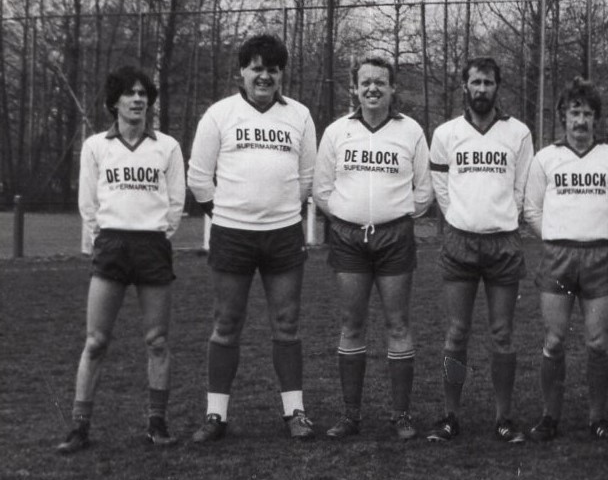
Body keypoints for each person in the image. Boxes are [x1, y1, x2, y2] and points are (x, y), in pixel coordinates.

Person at [187, 34, 318, 443]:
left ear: (281, 74)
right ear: (242, 72)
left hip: (283, 235)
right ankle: (216, 415)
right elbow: (198, 178)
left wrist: (279, 211)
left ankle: (294, 411)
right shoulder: (219, 115)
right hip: (232, 235)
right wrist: (229, 214)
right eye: (256, 68)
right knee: (226, 323)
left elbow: (307, 178)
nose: (264, 76)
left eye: (272, 69)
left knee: (287, 323)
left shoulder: (299, 116)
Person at [57, 67, 186, 454]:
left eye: (143, 93)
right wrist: (105, 236)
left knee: (157, 341)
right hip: (111, 246)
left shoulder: (167, 147)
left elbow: (175, 204)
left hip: (152, 248)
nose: (138, 99)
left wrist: (155, 234)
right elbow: (88, 204)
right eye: (130, 93)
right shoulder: (96, 146)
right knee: (95, 341)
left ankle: (157, 424)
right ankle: (79, 427)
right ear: (114, 102)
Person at [313, 57, 433, 440]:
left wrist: (392, 215)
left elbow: (424, 191)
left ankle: (401, 415)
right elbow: (321, 189)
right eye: (365, 82)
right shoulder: (337, 132)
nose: (372, 89)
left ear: (393, 88)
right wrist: (348, 216)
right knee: (352, 324)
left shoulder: (410, 131)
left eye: (380, 82)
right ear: (355, 88)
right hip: (348, 239)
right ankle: (351, 415)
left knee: (398, 324)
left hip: (395, 238)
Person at [424, 57, 533, 444]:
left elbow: (522, 187)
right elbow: (440, 187)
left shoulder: (518, 133)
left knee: (502, 334)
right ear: (464, 86)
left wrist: (500, 218)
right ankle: (450, 415)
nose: (482, 89)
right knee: (456, 333)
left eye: (488, 82)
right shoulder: (446, 133)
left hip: (503, 241)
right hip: (460, 241)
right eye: (476, 82)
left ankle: (504, 418)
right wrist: (461, 217)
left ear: (497, 87)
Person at [523, 77, 608, 441]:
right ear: (563, 117)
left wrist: (595, 233)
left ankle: (597, 417)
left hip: (598, 257)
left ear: (596, 118)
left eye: (587, 113)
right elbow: (532, 210)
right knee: (554, 341)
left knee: (597, 343)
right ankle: (549, 417)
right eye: (575, 113)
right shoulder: (545, 159)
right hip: (557, 257)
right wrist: (559, 233)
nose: (581, 120)